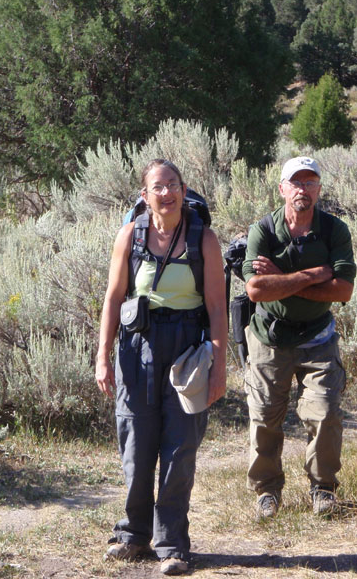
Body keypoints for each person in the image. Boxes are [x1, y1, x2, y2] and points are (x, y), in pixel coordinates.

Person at [96, 159, 227, 575]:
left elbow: (217, 307)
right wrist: (103, 355)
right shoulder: (128, 237)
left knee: (179, 448)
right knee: (135, 443)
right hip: (137, 348)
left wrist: (220, 365)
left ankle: (172, 545)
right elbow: (113, 299)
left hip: (187, 350)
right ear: (144, 195)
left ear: (184, 189)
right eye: (158, 186)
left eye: (173, 185)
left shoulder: (203, 239)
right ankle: (133, 536)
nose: (167, 193)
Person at [241, 156, 356, 519]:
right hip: (268, 338)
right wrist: (312, 275)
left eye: (309, 183)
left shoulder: (334, 231)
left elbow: (343, 290)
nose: (302, 190)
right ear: (282, 189)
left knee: (324, 414)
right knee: (264, 418)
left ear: (319, 189)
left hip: (318, 337)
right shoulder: (264, 230)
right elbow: (257, 290)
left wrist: (284, 278)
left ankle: (323, 489)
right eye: (295, 183)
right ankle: (267, 491)